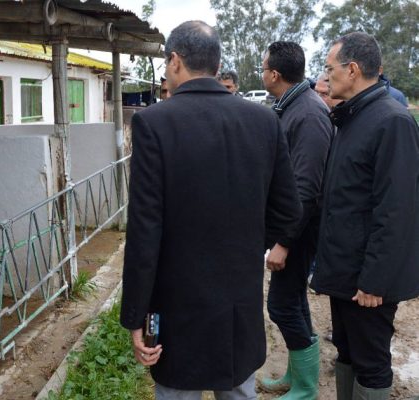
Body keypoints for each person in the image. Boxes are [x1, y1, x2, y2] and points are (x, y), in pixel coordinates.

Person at [120, 20, 302, 400]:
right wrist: (250, 242)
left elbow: (144, 229)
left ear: (174, 61)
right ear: (218, 67)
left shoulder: (153, 123)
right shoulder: (264, 120)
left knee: (177, 390)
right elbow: (288, 209)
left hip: (176, 303)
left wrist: (135, 315)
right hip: (238, 298)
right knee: (237, 388)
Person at [310, 32, 419, 400]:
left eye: (329, 68)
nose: (325, 77)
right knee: (346, 350)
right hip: (345, 269)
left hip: (367, 280)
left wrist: (375, 281)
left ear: (352, 69)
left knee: (371, 362)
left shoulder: (391, 122)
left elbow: (397, 211)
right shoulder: (351, 118)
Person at [259, 41, 333, 399]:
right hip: (291, 227)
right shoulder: (290, 107)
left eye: (262, 68)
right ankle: (296, 374)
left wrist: (284, 242)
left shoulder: (308, 114)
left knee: (282, 305)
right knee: (293, 302)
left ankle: (305, 387)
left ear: (274, 74)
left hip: (300, 231)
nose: (262, 74)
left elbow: (306, 189)